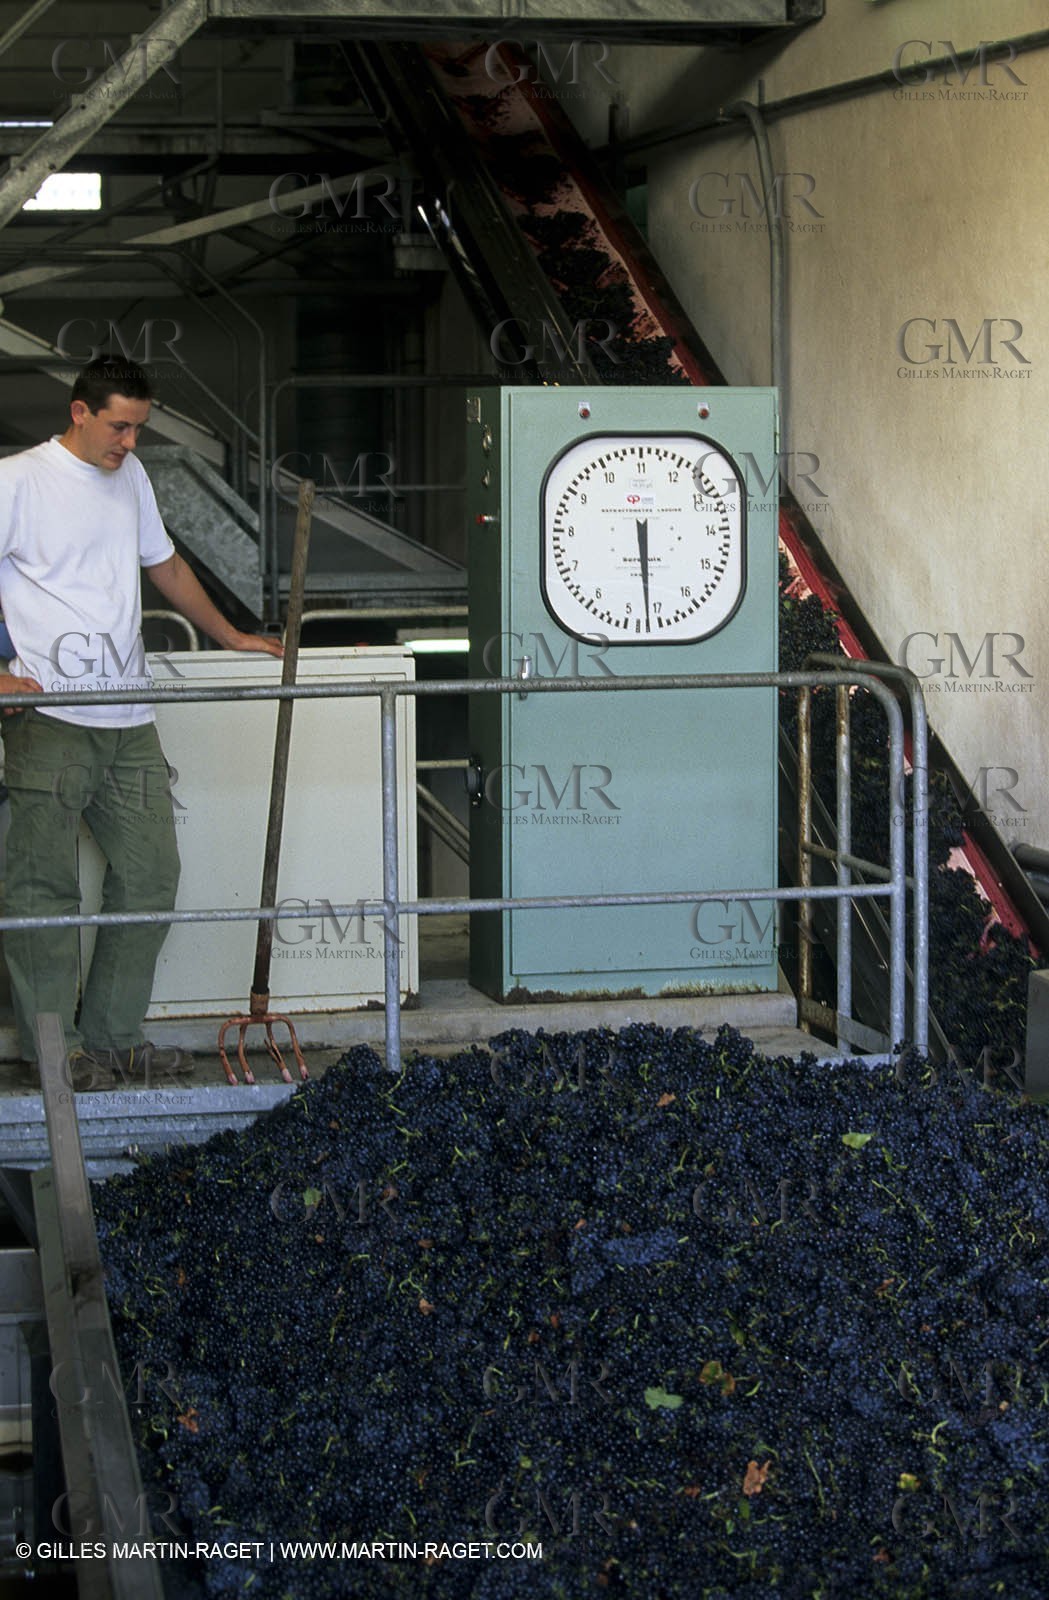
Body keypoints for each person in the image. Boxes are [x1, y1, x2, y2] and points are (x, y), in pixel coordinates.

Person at [0, 356, 282, 1090]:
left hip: (129, 716)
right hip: (48, 716)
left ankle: (114, 1039)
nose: (130, 442)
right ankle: (56, 1054)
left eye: (139, 429)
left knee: (152, 875)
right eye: (119, 427)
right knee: (42, 890)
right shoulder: (17, 481)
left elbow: (166, 565)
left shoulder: (129, 478)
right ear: (80, 412)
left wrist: (231, 635)